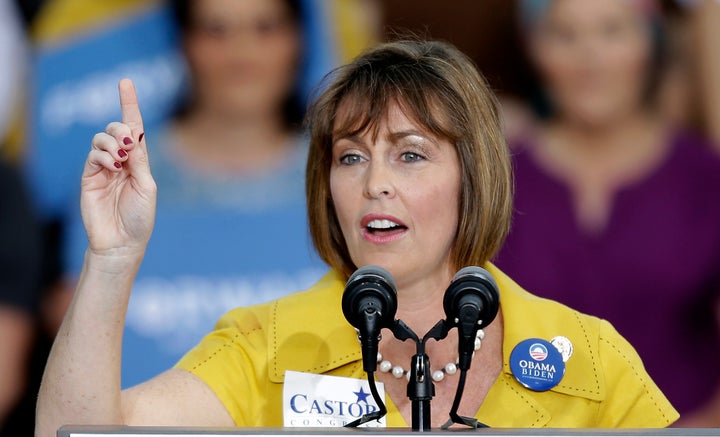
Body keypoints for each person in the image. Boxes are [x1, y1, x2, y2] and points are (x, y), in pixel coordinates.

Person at [36, 39, 678, 435]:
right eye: (350, 157)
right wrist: (111, 257)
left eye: (410, 155)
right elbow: (83, 433)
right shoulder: (268, 347)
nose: (375, 184)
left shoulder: (588, 357)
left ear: (473, 177)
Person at [56, 0, 336, 387]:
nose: (242, 55)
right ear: (183, 43)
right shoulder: (120, 176)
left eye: (266, 28)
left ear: (301, 41)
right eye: (215, 30)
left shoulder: (343, 176)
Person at [494, 0, 720, 426]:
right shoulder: (496, 178)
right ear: (533, 47)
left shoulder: (706, 179)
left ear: (649, 44)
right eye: (564, 35)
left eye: (612, 31)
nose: (589, 59)